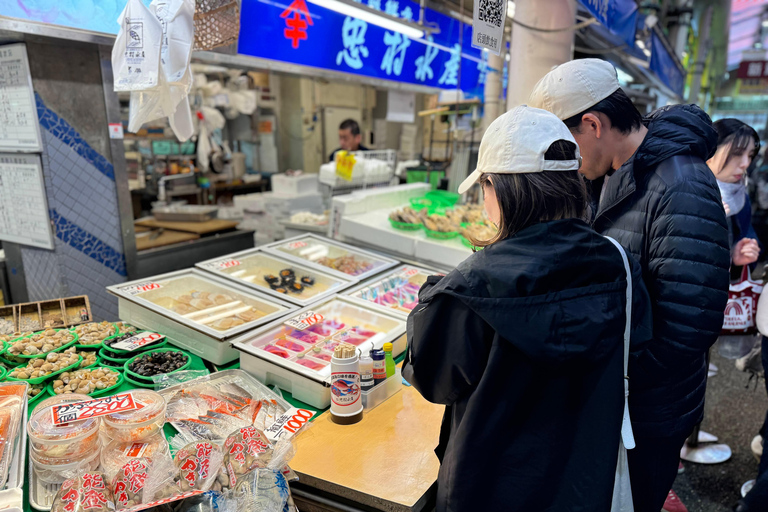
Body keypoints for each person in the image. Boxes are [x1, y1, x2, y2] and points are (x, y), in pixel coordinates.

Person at [402, 106, 653, 511]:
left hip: (487, 486)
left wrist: (434, 297)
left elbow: (434, 378)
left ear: (498, 188)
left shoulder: (474, 284)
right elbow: (635, 352)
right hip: (583, 484)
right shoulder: (619, 264)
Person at [529, 59, 731, 512]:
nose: (572, 161)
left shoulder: (682, 185)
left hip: (648, 411)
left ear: (593, 124)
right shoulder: (613, 174)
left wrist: (605, 376)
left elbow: (689, 326)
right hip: (616, 403)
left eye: (568, 145)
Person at [707, 119, 761, 268]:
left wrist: (738, 254)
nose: (745, 163)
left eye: (750, 155)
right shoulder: (684, 192)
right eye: (737, 153)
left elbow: (748, 236)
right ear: (710, 150)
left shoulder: (741, 196)